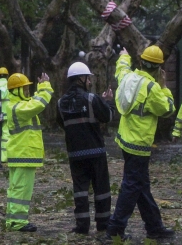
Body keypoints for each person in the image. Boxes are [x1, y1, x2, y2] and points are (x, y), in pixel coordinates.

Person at [106, 46, 176, 241]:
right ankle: (114, 229)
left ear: (141, 62)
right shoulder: (152, 88)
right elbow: (168, 108)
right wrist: (164, 86)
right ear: (158, 68)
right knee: (132, 186)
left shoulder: (128, 78)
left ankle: (154, 227)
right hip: (139, 145)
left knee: (140, 185)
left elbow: (121, 69)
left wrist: (124, 56)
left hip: (125, 140)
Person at [56, 62, 114, 235]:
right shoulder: (91, 98)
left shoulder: (60, 103)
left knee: (80, 191)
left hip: (75, 154)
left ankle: (82, 225)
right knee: (101, 189)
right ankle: (103, 224)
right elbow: (108, 116)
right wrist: (108, 102)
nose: (90, 81)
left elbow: (62, 124)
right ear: (82, 78)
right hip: (96, 152)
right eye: (88, 78)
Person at [5, 72, 54, 232]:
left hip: (21, 154)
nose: (27, 91)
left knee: (16, 188)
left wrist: (39, 89)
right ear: (17, 90)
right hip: (23, 154)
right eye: (24, 88)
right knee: (22, 189)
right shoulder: (18, 107)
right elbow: (39, 104)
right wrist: (45, 87)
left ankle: (12, 220)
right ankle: (18, 222)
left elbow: (33, 102)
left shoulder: (17, 105)